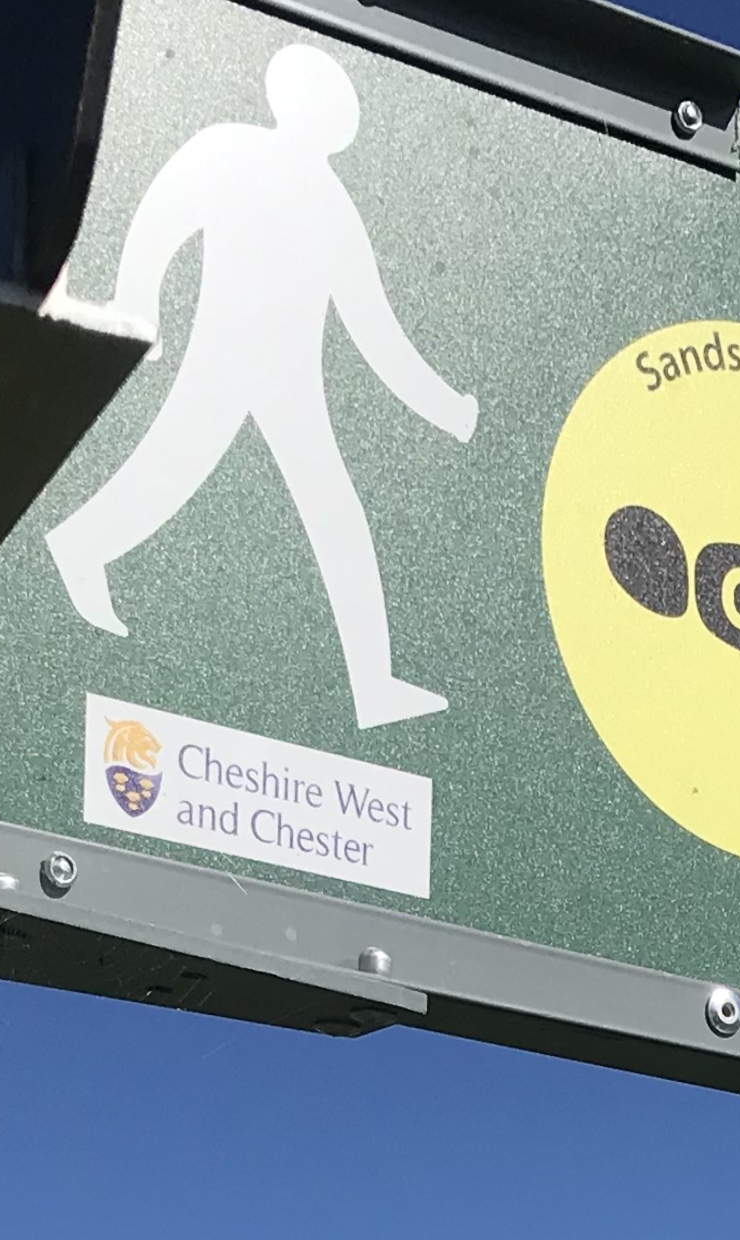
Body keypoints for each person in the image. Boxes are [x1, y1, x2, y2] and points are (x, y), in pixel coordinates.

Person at [47, 43, 476, 728]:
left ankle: (374, 686)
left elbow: (376, 328)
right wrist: (137, 308)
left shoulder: (333, 204)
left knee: (327, 509)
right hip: (226, 358)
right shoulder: (230, 150)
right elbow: (160, 218)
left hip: (289, 383)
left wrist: (446, 407)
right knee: (171, 473)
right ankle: (77, 548)